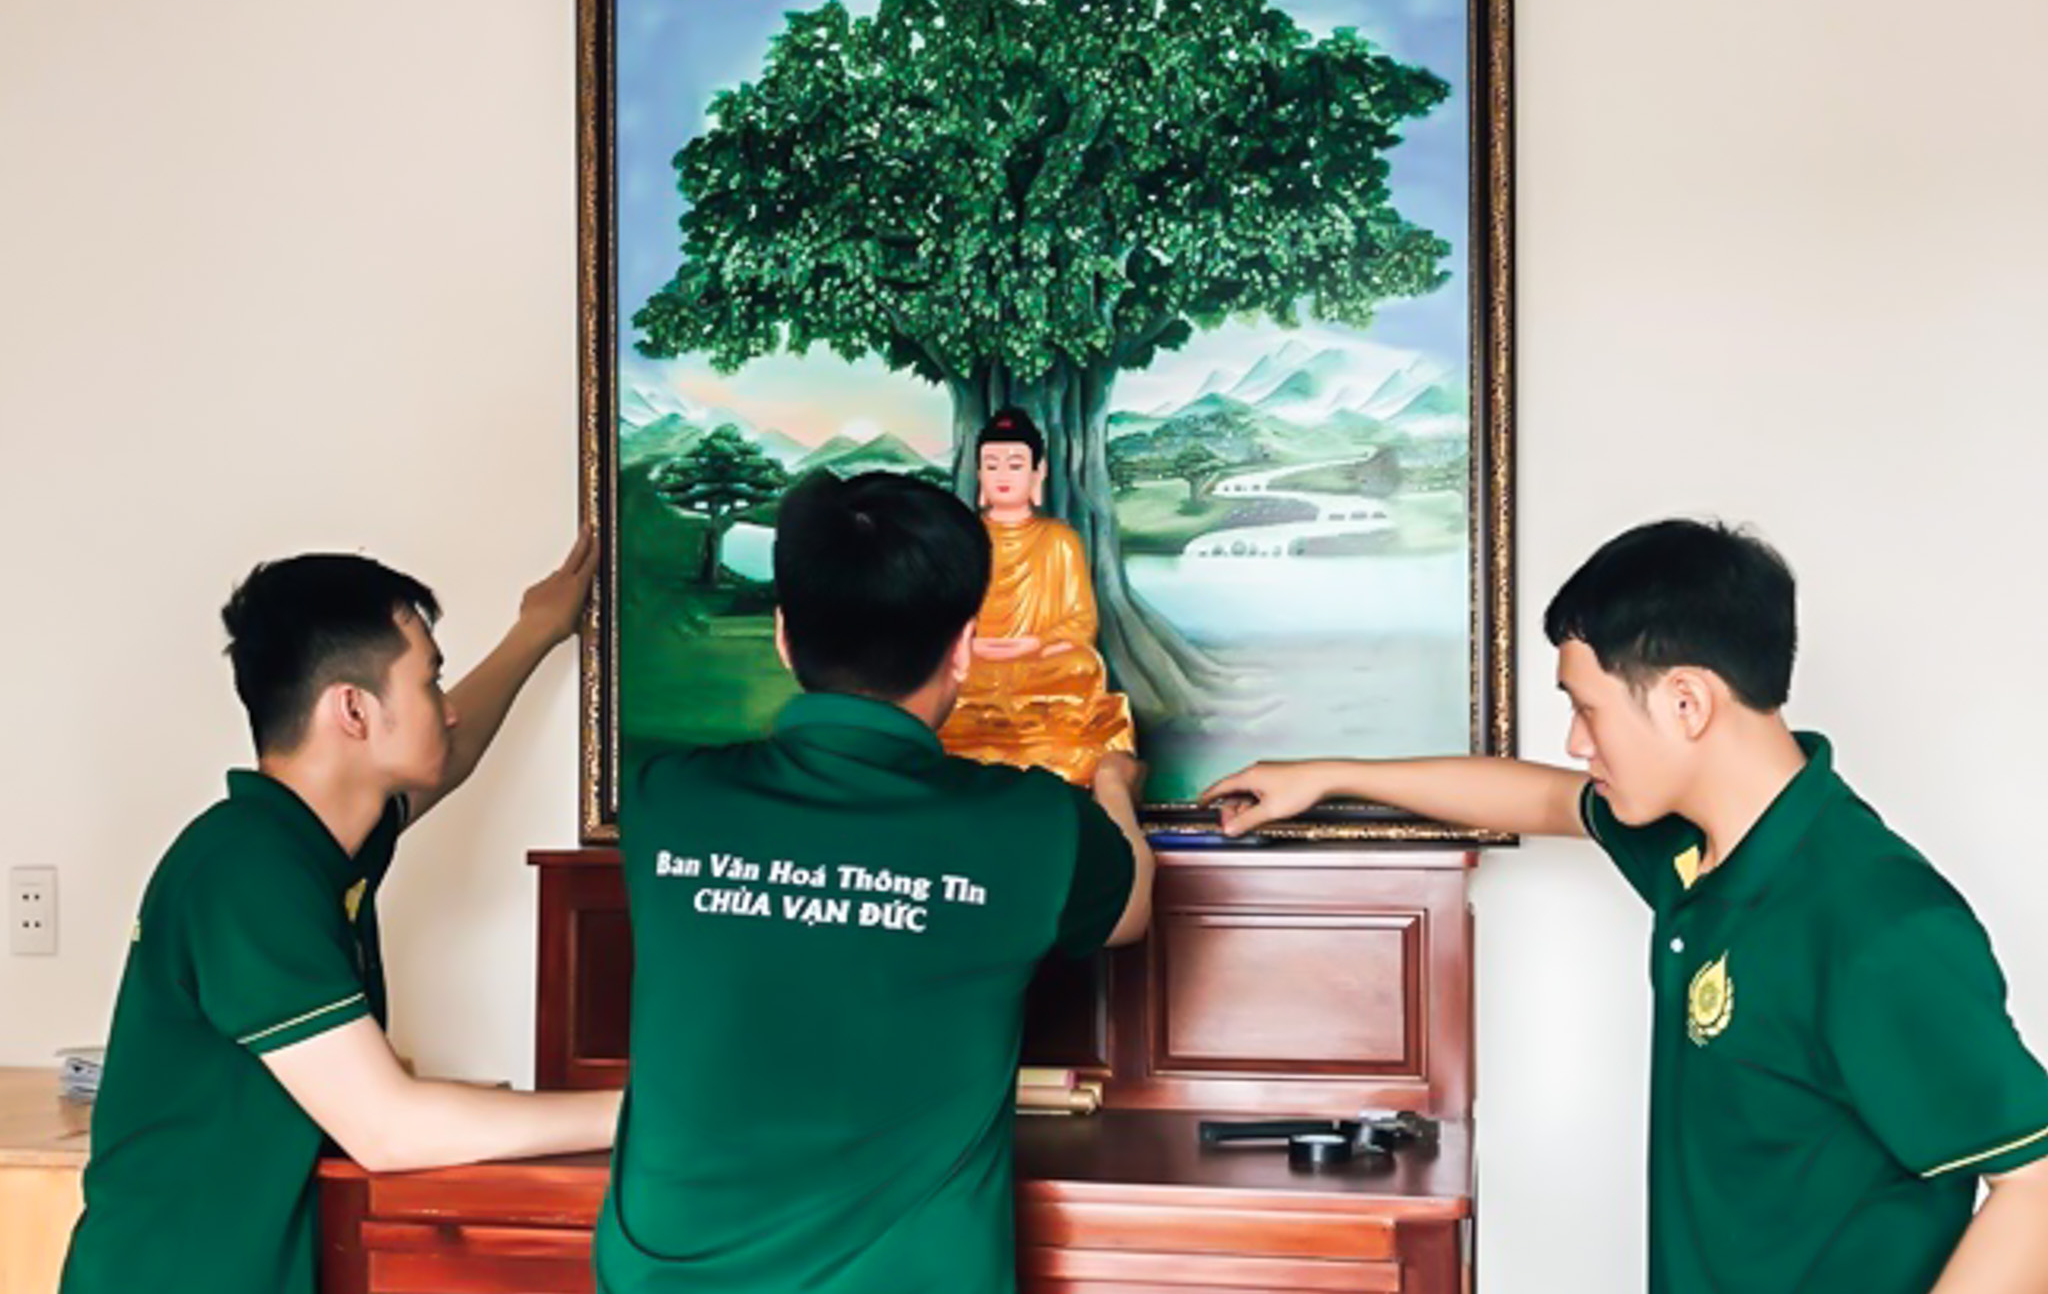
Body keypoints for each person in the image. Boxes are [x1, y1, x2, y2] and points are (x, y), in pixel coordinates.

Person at [1202, 519, 2048, 1294]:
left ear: (1687, 701)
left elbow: (2036, 1189)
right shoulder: (1695, 847)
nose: (1576, 740)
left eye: (1587, 708)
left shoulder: (1876, 922)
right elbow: (1540, 798)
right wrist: (1330, 775)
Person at [596, 471, 1154, 1294]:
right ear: (963, 649)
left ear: (784, 636)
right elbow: (1131, 908)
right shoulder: (1031, 823)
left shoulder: (664, 799)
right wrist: (1113, 783)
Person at [62, 532, 622, 1294]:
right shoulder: (245, 871)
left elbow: (448, 757)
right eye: (429, 681)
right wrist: (646, 1114)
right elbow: (388, 1124)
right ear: (353, 709)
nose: (446, 711)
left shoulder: (308, 844)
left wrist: (536, 630)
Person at [937, 407, 1136, 785]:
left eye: (1015, 464)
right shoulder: (963, 542)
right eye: (991, 465)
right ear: (978, 473)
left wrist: (1033, 644)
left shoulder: (1060, 541)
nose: (1002, 475)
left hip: (1041, 664)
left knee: (1082, 665)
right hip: (976, 664)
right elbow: (945, 616)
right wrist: (973, 646)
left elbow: (1081, 623)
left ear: (1037, 472)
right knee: (941, 672)